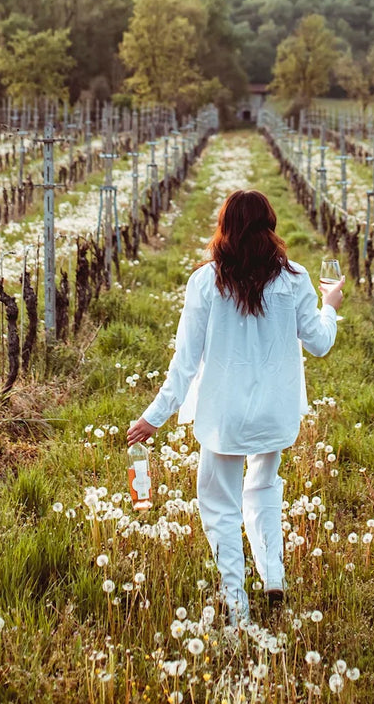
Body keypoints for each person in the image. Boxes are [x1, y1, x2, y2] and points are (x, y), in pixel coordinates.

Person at [126, 188, 343, 625]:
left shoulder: (206, 281)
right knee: (265, 487)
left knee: (220, 504)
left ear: (224, 228)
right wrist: (331, 307)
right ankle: (273, 574)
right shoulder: (295, 278)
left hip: (224, 416)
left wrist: (154, 416)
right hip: (275, 413)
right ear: (270, 227)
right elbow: (320, 343)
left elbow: (184, 363)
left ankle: (237, 603)